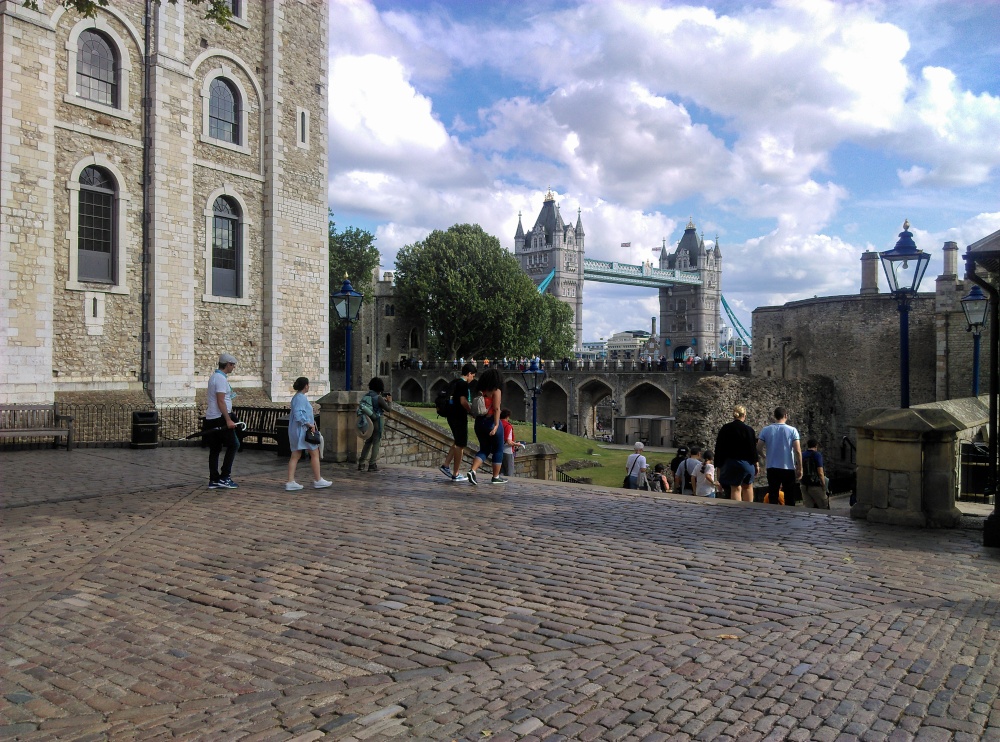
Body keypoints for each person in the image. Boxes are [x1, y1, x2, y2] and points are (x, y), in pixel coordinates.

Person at [285, 377, 331, 490]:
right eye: (308, 384)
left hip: (298, 430)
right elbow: (298, 414)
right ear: (305, 385)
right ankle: (318, 479)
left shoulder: (297, 397)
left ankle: (291, 481)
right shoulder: (300, 398)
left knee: (296, 455)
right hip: (302, 431)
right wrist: (309, 424)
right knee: (314, 453)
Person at [205, 352, 240, 489]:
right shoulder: (220, 379)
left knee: (215, 449)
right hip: (219, 417)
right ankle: (225, 477)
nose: (233, 367)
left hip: (212, 417)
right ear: (228, 364)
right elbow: (221, 400)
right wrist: (228, 419)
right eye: (233, 365)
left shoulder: (214, 377)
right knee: (234, 444)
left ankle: (214, 479)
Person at [467, 367, 506, 485]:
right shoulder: (496, 390)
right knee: (498, 449)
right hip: (491, 422)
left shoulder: (480, 391)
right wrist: (496, 425)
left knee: (484, 449)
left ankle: (473, 470)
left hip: (479, 423)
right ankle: (495, 477)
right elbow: (497, 408)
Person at [757, 407, 802, 506]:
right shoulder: (792, 430)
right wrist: (800, 467)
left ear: (775, 416)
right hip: (788, 467)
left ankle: (773, 513)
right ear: (785, 416)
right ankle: (789, 513)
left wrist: (765, 456)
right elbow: (797, 450)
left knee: (773, 495)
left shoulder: (766, 430)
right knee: (789, 496)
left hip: (772, 467)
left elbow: (759, 448)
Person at [439, 363, 476, 481]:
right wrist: (471, 412)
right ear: (469, 374)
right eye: (473, 376)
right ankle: (456, 473)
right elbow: (463, 401)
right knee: (461, 445)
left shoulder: (454, 382)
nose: (472, 378)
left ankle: (446, 465)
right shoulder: (463, 384)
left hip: (450, 415)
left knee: (457, 442)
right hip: (459, 416)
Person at [715, 405, 759, 502]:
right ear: (744, 415)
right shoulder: (749, 430)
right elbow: (753, 449)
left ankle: (737, 508)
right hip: (747, 463)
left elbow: (719, 449)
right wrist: (756, 463)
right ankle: (749, 507)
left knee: (735, 488)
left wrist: (719, 466)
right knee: (748, 486)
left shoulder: (725, 428)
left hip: (731, 463)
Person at [357, 377, 391, 472]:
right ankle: (372, 464)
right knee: (376, 442)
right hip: (377, 421)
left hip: (368, 421)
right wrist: (389, 402)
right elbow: (388, 409)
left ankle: (361, 463)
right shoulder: (378, 397)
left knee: (368, 442)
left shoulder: (367, 396)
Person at [801, 439, 830, 509]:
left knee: (809, 508)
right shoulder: (817, 455)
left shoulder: (802, 455)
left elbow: (798, 468)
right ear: (816, 446)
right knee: (824, 506)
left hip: (804, 484)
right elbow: (820, 472)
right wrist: (824, 485)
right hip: (815, 485)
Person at [499, 408, 524, 477]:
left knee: (501, 471)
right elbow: (509, 442)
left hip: (498, 450)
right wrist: (517, 444)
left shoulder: (497, 423)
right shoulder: (508, 426)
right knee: (509, 471)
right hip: (507, 451)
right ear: (507, 416)